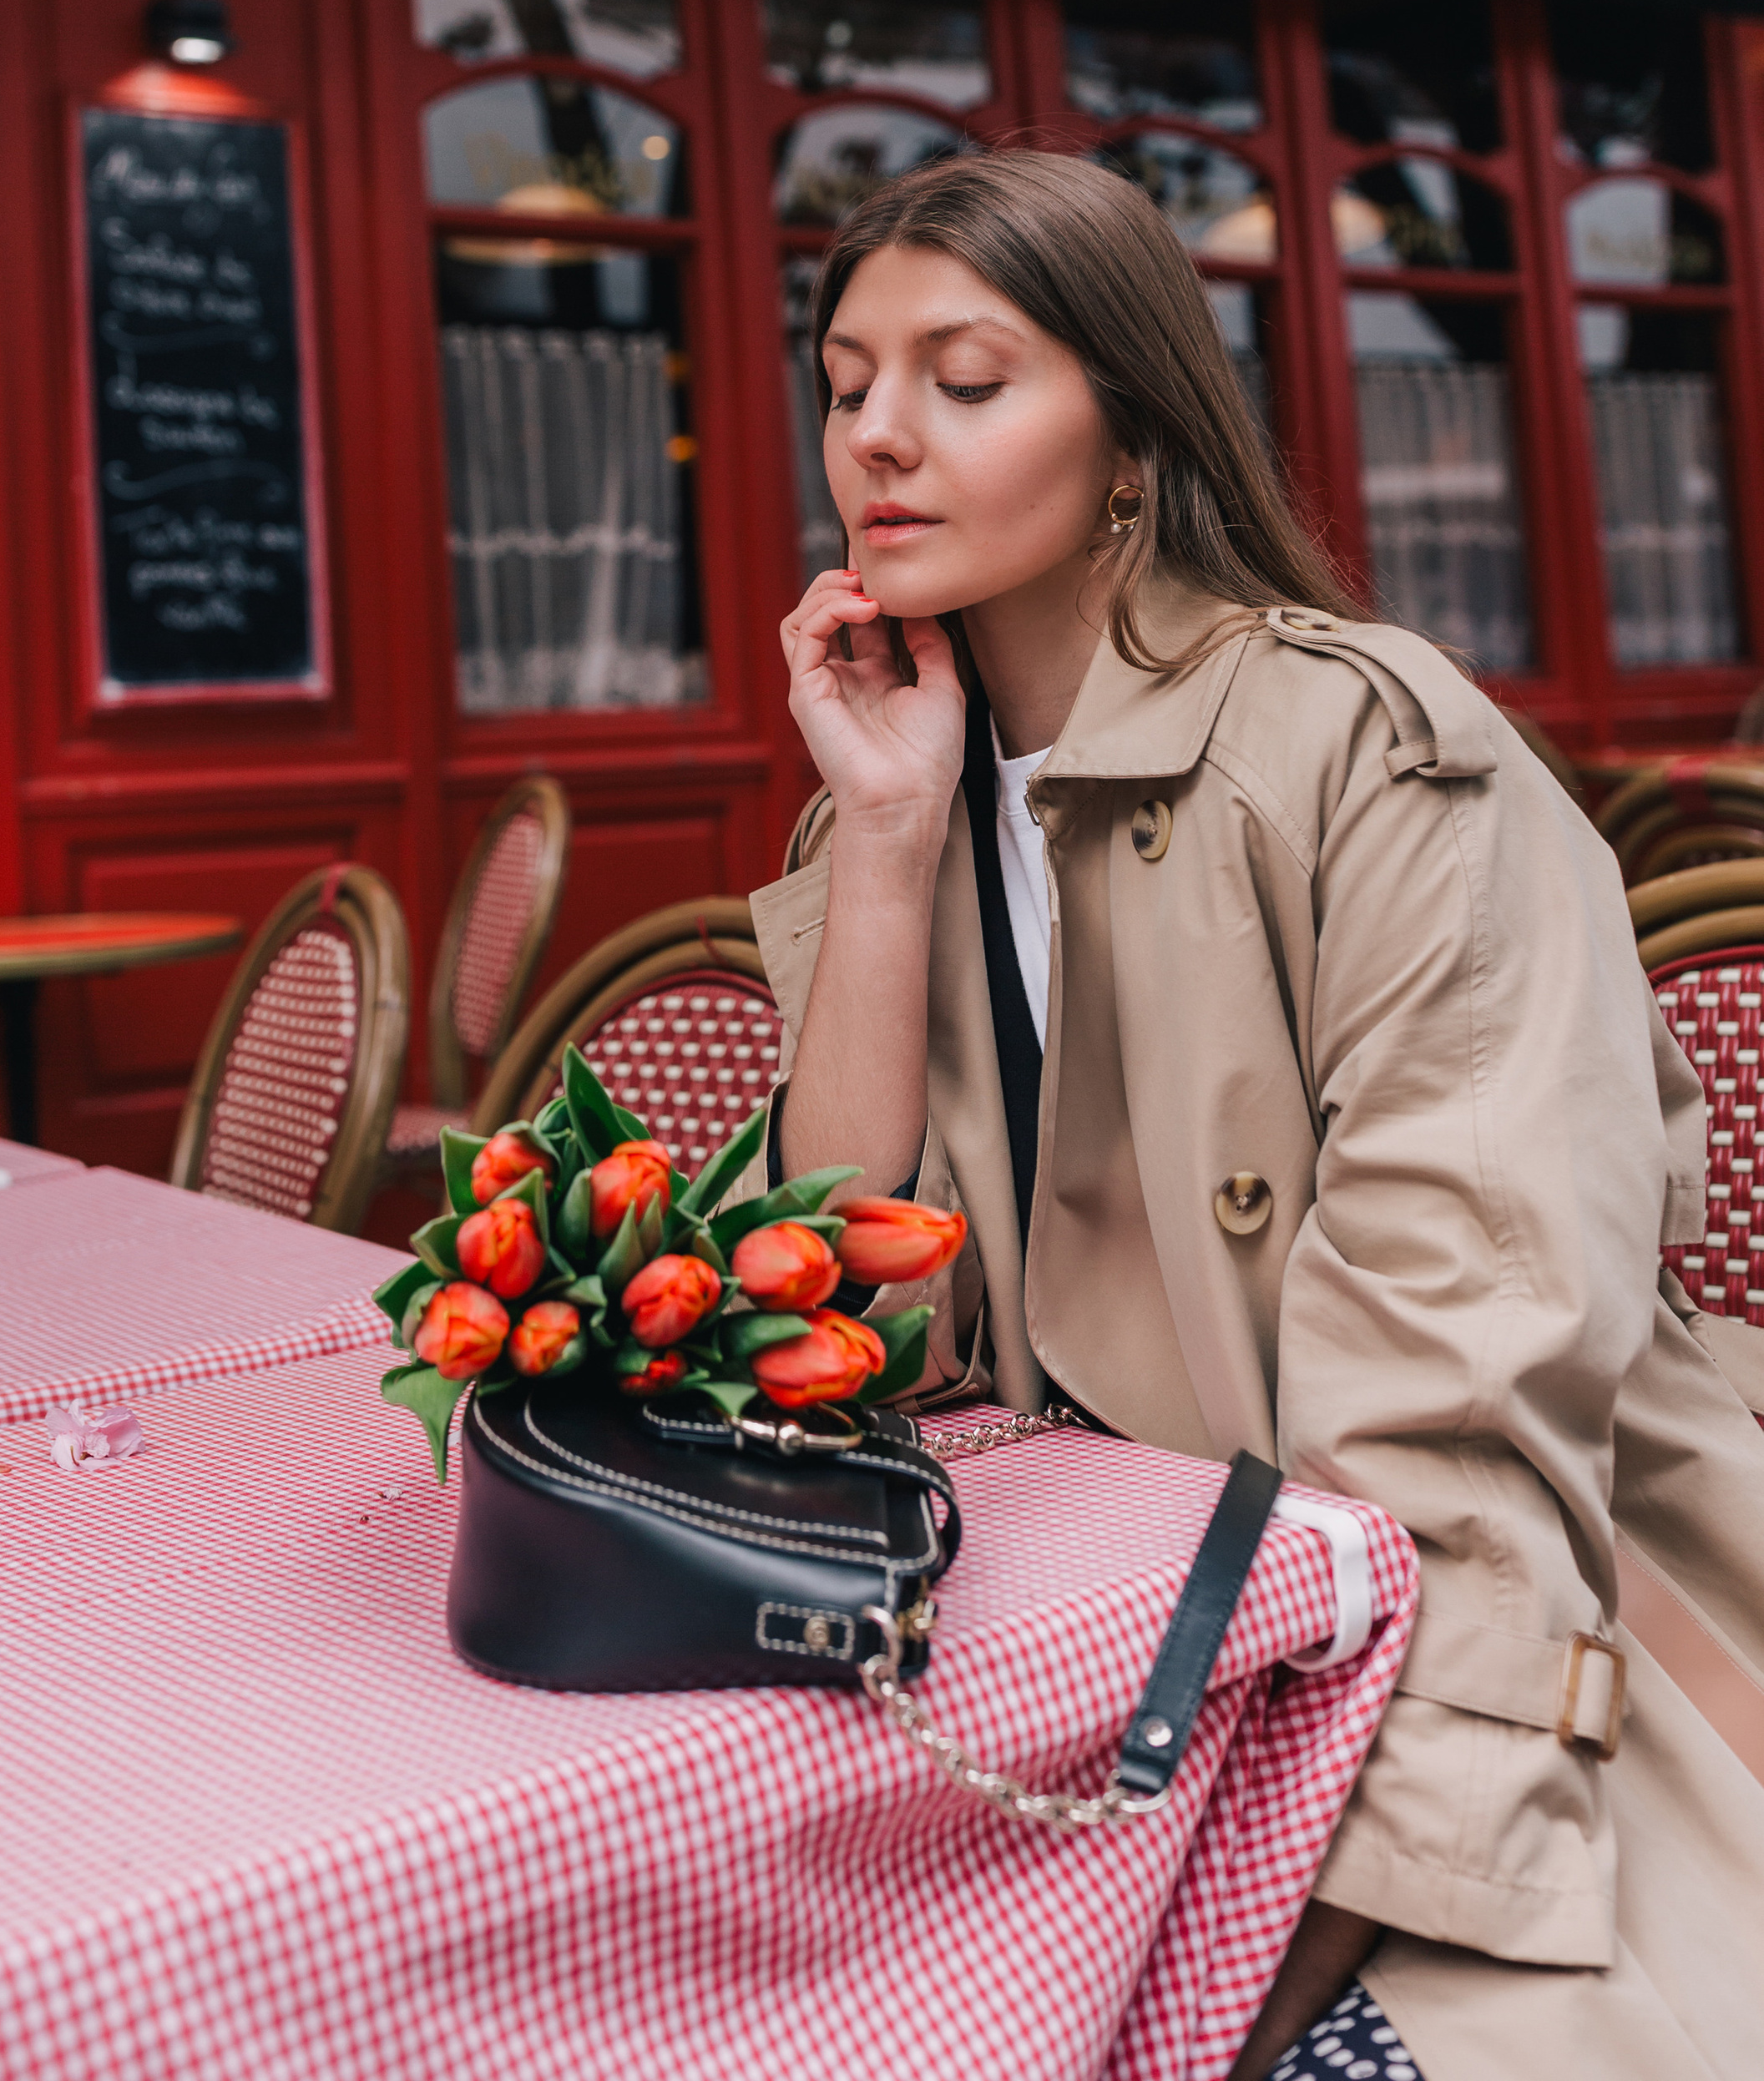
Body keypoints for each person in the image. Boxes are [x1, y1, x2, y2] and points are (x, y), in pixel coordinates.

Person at [751, 147, 1764, 2081]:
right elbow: (839, 1334)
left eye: (961, 383)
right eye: (842, 379)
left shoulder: (1371, 752)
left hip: (1510, 1638)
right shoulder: (899, 798)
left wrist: (1277, 1954)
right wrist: (880, 846)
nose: (876, 437)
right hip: (1119, 1640)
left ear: (1131, 437)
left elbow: (1468, 1402)